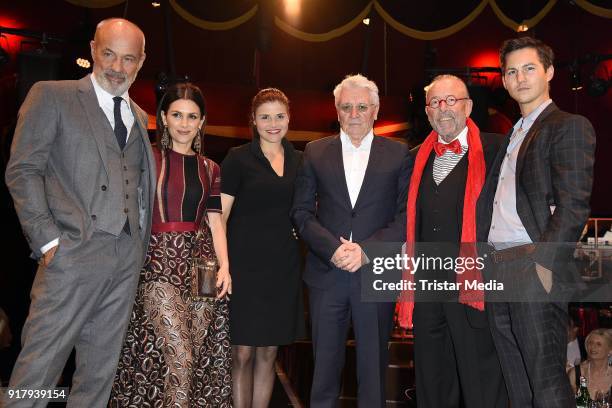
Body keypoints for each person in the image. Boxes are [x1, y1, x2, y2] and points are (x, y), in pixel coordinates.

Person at [4, 18, 154, 407]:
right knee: (37, 372)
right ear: (91, 50)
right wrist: (48, 240)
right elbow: (23, 169)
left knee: (98, 376)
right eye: (109, 54)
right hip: (69, 257)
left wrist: (137, 249)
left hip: (124, 262)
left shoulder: (139, 116)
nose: (117, 67)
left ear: (140, 62)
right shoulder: (51, 95)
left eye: (128, 59)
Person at [478, 36, 596, 407]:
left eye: (529, 68)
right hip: (498, 265)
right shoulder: (513, 133)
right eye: (511, 71)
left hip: (532, 264)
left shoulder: (568, 125)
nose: (520, 77)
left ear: (549, 71)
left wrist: (543, 263)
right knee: (517, 383)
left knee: (545, 384)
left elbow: (574, 205)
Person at [291, 74, 413, 407]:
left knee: (373, 375)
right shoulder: (315, 152)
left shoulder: (399, 154)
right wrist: (333, 249)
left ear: (376, 110)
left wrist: (366, 252)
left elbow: (404, 218)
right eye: (347, 107)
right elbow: (301, 213)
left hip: (376, 276)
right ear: (337, 110)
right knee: (324, 374)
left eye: (362, 107)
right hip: (326, 276)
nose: (354, 114)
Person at [109, 82, 232, 407]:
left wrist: (226, 268)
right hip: (157, 267)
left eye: (192, 116)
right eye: (177, 114)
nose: (184, 123)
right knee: (181, 356)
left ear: (202, 121)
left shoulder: (211, 168)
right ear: (163, 117)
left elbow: (215, 222)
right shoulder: (146, 159)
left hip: (203, 269)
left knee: (192, 360)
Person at [406, 75, 506, 408]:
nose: (444, 108)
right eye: (436, 102)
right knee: (432, 381)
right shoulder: (415, 157)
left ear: (469, 106)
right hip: (426, 287)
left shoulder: (496, 150)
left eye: (452, 100)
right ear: (427, 110)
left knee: (480, 380)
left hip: (474, 283)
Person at [221, 88, 304, 408]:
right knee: (241, 353)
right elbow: (221, 217)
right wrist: (223, 265)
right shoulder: (238, 158)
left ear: (289, 119)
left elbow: (307, 209)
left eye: (279, 116)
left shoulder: (301, 159)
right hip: (243, 268)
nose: (273, 123)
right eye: (265, 116)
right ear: (253, 121)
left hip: (283, 268)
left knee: (269, 352)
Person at [568, 328, 612, 400]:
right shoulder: (575, 373)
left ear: (610, 351)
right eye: (590, 343)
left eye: (599, 344)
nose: (593, 347)